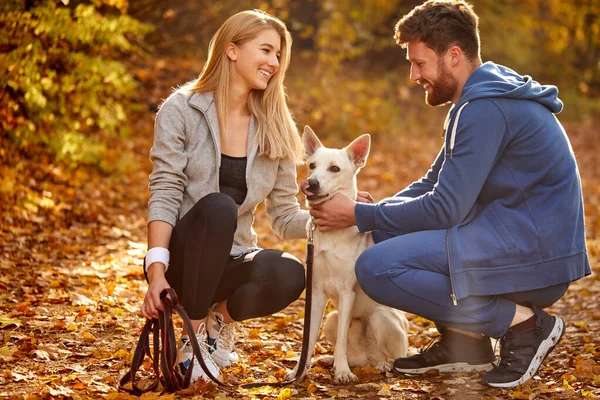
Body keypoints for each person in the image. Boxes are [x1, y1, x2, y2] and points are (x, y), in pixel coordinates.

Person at [303, 0, 591, 389]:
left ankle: (524, 325)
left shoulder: (486, 109)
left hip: (533, 256)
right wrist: (374, 211)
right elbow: (431, 184)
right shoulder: (476, 101)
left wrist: (359, 216)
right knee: (384, 232)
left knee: (375, 266)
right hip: (508, 237)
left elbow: (445, 207)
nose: (412, 75)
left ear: (453, 55)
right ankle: (466, 343)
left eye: (419, 63)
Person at [141, 10, 309, 382]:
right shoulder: (182, 109)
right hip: (184, 260)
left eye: (279, 55)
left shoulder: (276, 125)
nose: (274, 63)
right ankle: (192, 339)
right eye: (266, 50)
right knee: (219, 207)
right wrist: (156, 274)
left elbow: (284, 217)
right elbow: (165, 190)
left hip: (231, 259)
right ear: (231, 49)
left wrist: (334, 214)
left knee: (289, 273)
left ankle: (216, 323)